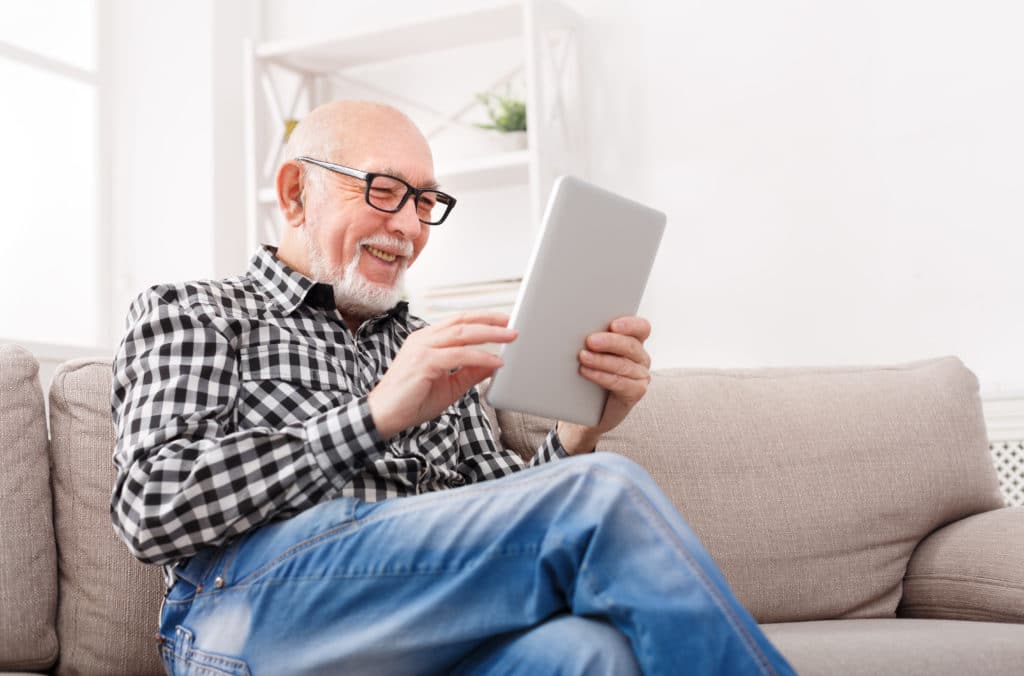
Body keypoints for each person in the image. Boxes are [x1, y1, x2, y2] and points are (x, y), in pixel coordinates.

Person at [111, 99, 794, 675]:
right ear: (296, 193)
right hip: (244, 614)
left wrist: (577, 432)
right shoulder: (195, 311)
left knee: (588, 651)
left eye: (426, 202)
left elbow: (498, 516)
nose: (408, 227)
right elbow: (150, 506)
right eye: (383, 190)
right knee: (605, 491)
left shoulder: (438, 350)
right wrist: (374, 416)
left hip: (423, 616)